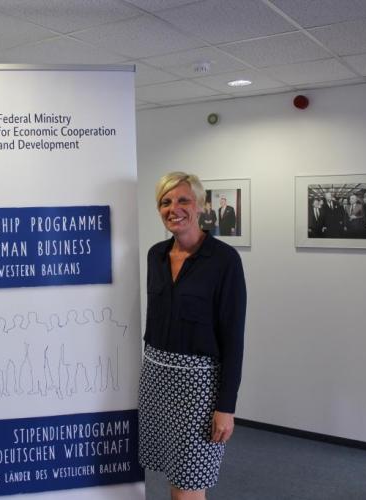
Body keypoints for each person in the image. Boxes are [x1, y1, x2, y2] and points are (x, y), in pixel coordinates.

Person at [139, 172, 247, 500]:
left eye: (183, 200)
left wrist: (226, 407)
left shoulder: (224, 260)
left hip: (198, 389)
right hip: (156, 380)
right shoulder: (156, 255)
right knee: (174, 478)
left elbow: (234, 339)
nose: (173, 208)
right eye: (165, 202)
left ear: (200, 205)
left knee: (189, 486)